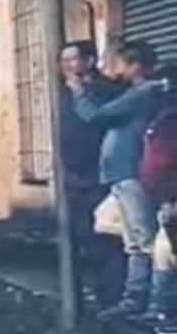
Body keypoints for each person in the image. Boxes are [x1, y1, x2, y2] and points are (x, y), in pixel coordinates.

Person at [68, 39, 169, 319]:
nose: (113, 68)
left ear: (135, 65)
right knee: (135, 238)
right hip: (123, 173)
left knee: (142, 239)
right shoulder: (140, 92)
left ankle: (150, 304)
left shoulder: (143, 93)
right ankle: (138, 300)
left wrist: (78, 92)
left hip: (131, 172)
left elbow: (94, 116)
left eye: (119, 62)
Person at [62, 41, 124, 308]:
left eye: (72, 59)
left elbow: (97, 120)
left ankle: (112, 295)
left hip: (99, 173)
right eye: (63, 60)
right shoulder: (65, 92)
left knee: (106, 237)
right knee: (84, 236)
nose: (66, 66)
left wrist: (79, 93)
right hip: (74, 175)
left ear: (88, 61)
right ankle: (96, 293)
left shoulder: (107, 91)